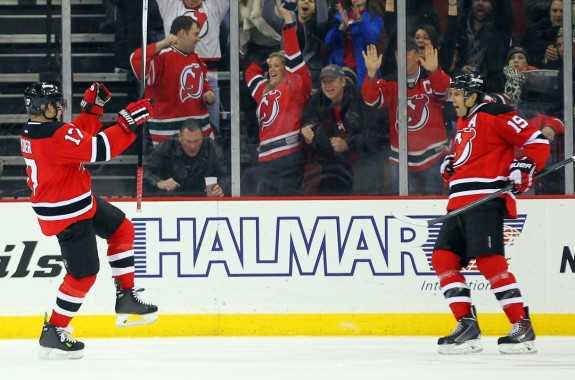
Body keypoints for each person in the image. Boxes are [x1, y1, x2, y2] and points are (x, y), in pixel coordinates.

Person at [21, 81, 157, 359]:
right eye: (57, 104)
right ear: (47, 108)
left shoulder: (40, 130)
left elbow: (76, 136)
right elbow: (100, 150)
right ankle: (54, 330)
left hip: (76, 200)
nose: (60, 108)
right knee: (83, 275)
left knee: (122, 229)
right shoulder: (54, 135)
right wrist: (127, 123)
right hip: (67, 212)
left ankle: (126, 297)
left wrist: (93, 111)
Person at [432, 73, 550, 355]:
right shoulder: (462, 121)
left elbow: (538, 142)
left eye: (458, 94)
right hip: (458, 202)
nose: (453, 99)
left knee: (489, 262)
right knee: (443, 258)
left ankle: (521, 325)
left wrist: (524, 167)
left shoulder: (495, 112)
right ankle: (467, 326)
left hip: (486, 199)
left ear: (472, 95)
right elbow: (466, 154)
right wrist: (451, 163)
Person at [361, 41, 451, 195]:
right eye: (398, 54)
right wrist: (370, 74)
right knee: (403, 205)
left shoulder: (430, 78)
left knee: (434, 201)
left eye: (406, 53)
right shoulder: (391, 82)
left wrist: (435, 70)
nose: (401, 58)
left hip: (434, 155)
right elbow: (371, 99)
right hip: (401, 157)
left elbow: (448, 92)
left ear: (417, 56)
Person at [244, 0, 312, 196]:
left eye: (277, 65)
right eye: (270, 66)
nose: (272, 69)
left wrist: (288, 18)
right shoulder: (263, 90)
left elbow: (292, 51)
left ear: (288, 66)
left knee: (290, 205)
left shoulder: (296, 84)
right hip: (265, 158)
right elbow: (250, 71)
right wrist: (270, 58)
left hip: (289, 155)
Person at [130, 15, 215, 149]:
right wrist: (163, 43)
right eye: (196, 34)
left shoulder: (196, 59)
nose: (199, 38)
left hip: (198, 130)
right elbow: (136, 59)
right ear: (182, 33)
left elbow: (201, 84)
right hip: (168, 133)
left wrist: (209, 93)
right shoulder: (162, 57)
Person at [155, 0, 230, 134]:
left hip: (208, 81)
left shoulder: (214, 6)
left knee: (209, 135)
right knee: (176, 136)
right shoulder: (170, 5)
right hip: (175, 84)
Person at [300, 64, 371, 195]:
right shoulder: (316, 101)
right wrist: (308, 138)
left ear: (343, 81)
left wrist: (348, 144)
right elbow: (309, 126)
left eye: (331, 81)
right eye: (324, 82)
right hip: (331, 165)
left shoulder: (359, 98)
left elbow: (373, 133)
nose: (327, 86)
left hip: (361, 162)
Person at [144, 119, 229, 197]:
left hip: (204, 199)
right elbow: (144, 170)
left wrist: (221, 187)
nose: (193, 146)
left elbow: (229, 176)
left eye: (197, 141)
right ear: (180, 137)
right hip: (172, 201)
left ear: (202, 137)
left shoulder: (213, 148)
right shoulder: (167, 147)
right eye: (188, 141)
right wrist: (159, 182)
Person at [263, 0, 329, 91]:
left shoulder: (317, 26)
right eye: (302, 0)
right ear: (297, 4)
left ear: (315, 9)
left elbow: (323, 17)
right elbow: (267, 14)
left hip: (310, 77)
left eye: (311, 1)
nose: (306, 2)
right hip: (286, 75)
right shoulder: (286, 23)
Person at [324, 0, 384, 85]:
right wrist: (342, 26)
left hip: (363, 71)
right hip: (339, 70)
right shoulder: (342, 14)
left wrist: (360, 20)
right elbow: (328, 41)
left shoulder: (375, 18)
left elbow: (371, 40)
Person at [522, 0, 563, 69]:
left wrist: (561, 55)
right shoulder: (534, 33)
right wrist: (544, 58)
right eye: (554, 11)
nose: (558, 15)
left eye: (562, 11)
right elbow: (527, 58)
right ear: (549, 12)